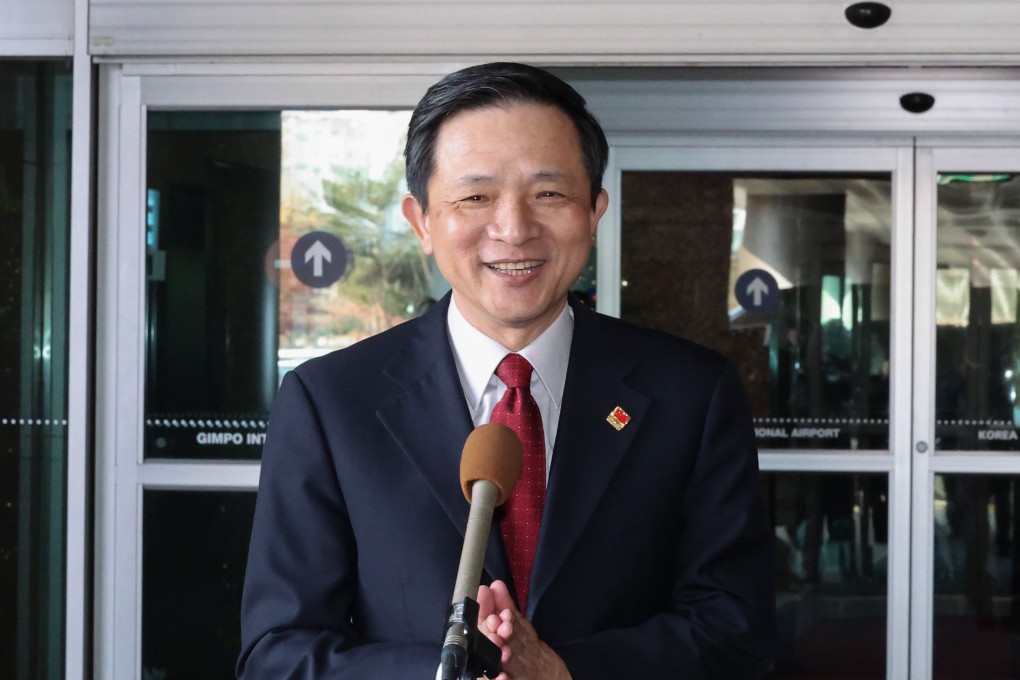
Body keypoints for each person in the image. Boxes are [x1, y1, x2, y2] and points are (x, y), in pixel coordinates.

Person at [237, 62, 776, 680]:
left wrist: (562, 671)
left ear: (595, 210)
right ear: (421, 222)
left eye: (549, 193)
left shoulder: (691, 393)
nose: (514, 228)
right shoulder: (330, 403)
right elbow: (278, 652)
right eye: (476, 196)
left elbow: (739, 627)